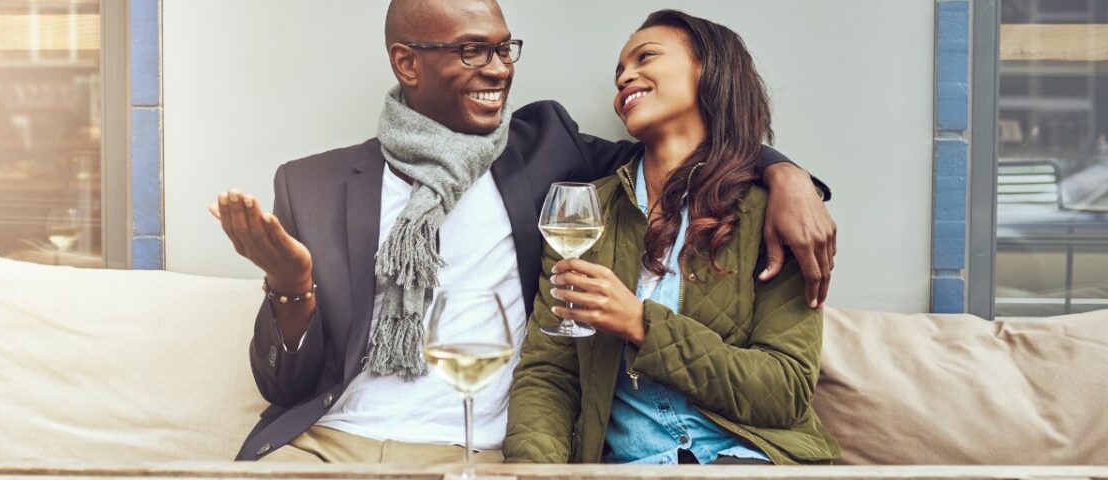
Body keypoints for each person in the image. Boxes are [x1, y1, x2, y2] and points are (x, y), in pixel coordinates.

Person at [210, 0, 835, 463]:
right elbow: (285, 384)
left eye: (504, 49)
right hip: (330, 441)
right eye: (472, 51)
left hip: (475, 448)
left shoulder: (549, 154)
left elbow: (691, 156)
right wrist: (291, 286)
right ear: (407, 62)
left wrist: (788, 175)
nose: (498, 69)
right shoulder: (311, 185)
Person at [504, 10, 840, 465]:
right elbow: (548, 375)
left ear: (709, 69)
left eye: (645, 57)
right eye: (619, 72)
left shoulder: (773, 213)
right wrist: (534, 473)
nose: (625, 77)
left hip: (752, 460)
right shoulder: (589, 214)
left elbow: (785, 391)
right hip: (630, 469)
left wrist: (640, 324)